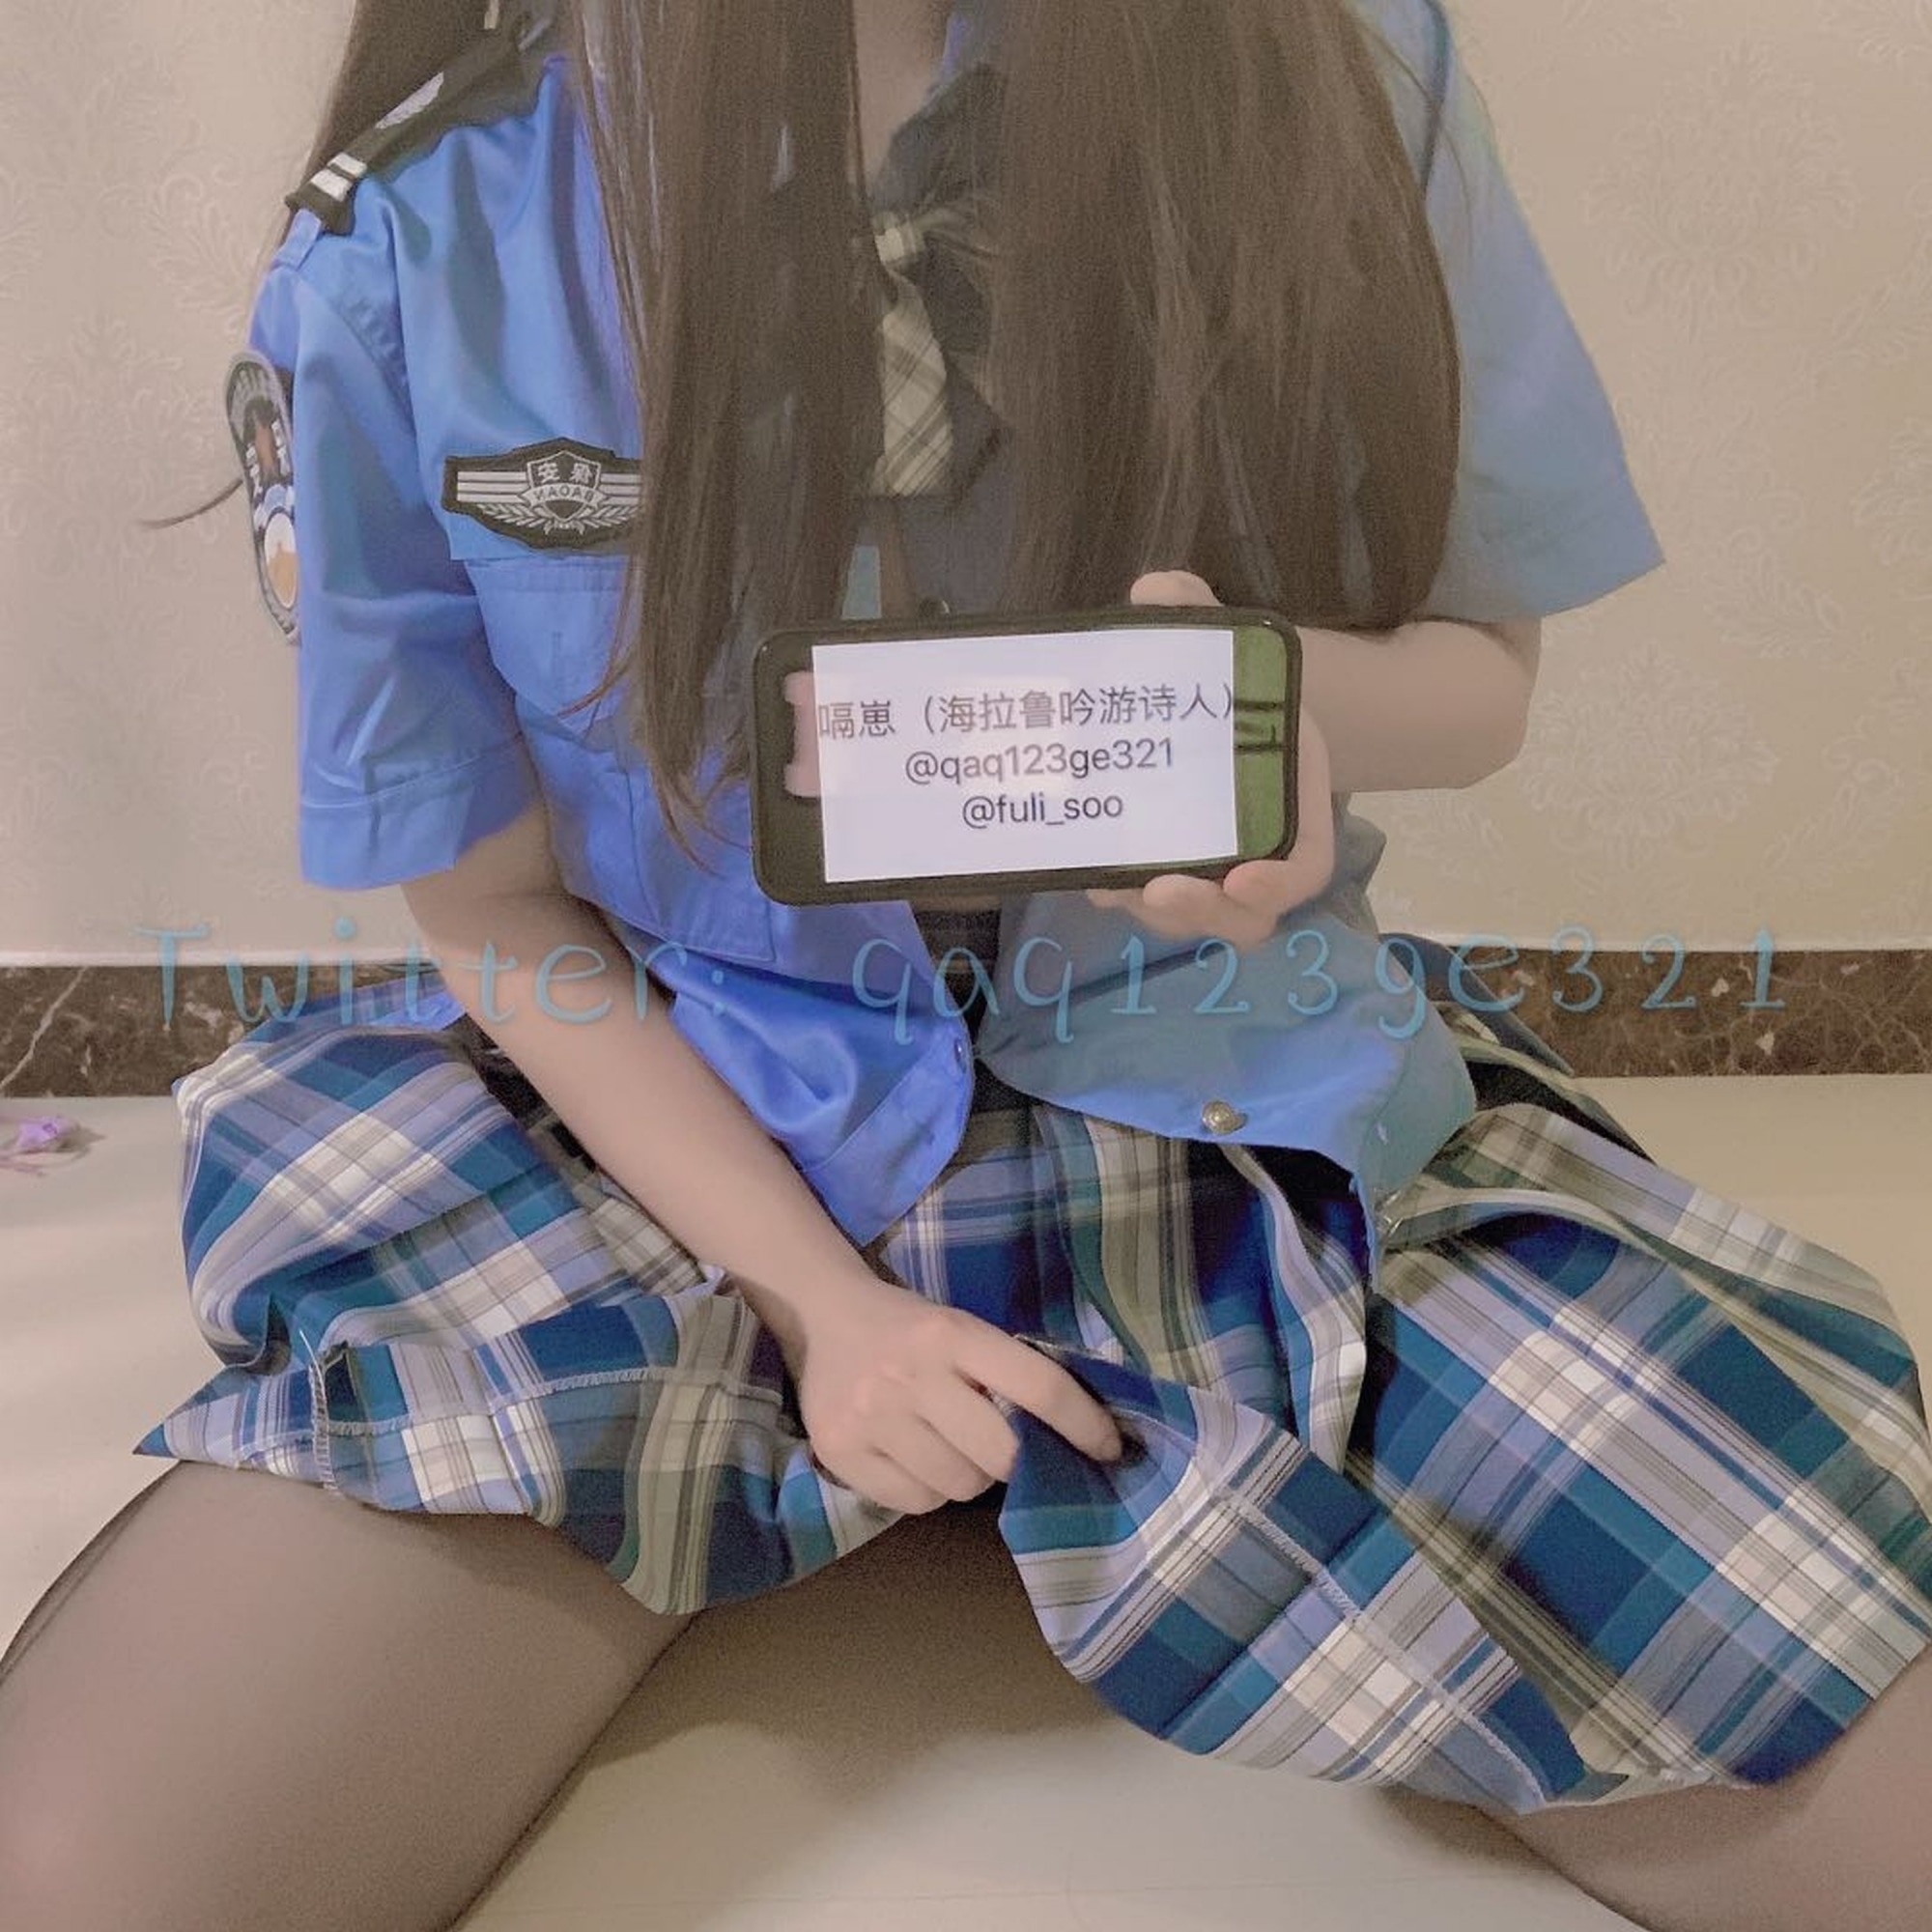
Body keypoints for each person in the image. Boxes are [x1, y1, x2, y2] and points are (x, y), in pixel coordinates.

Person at [4, 4, 1930, 1928]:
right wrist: (823, 1310)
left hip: (1246, 1118)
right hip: (676, 1132)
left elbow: (1479, 665)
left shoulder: (1330, 79)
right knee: (105, 1872)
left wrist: (1263, 712)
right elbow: (492, 905)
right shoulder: (425, 228)